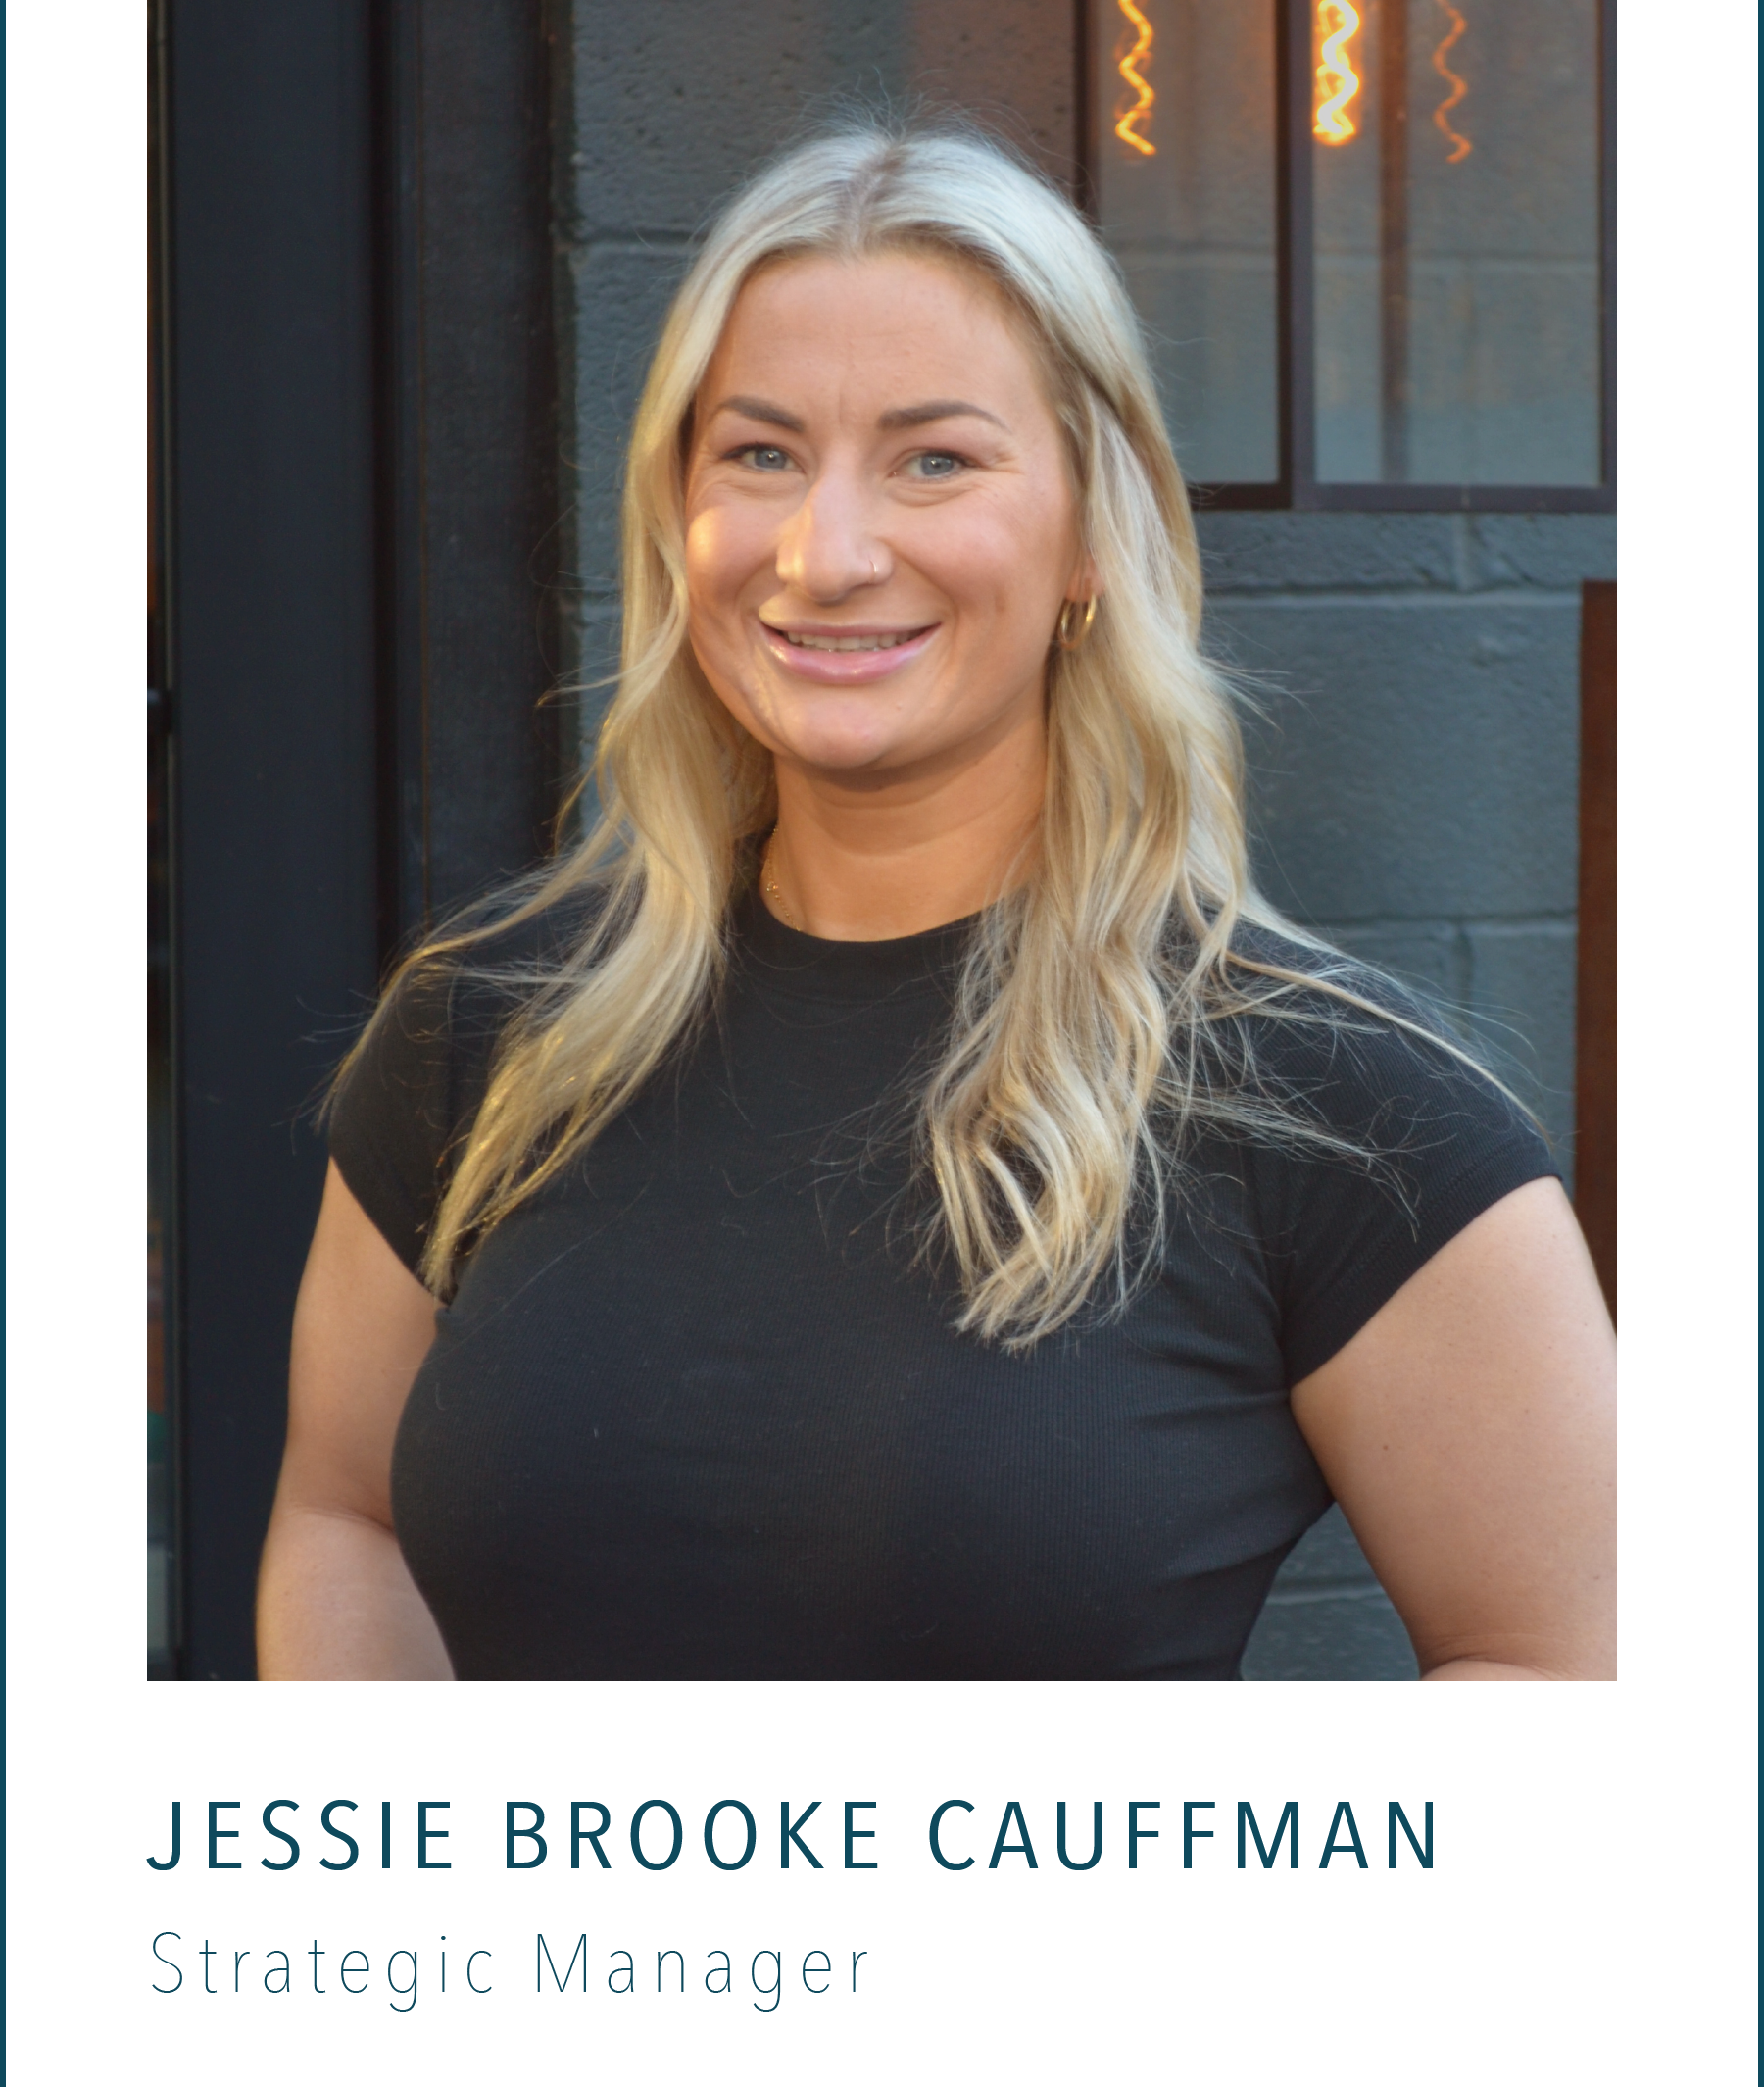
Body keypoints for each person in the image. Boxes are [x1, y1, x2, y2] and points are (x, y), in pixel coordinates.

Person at [257, 123, 1615, 1682]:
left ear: (1093, 532)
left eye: (936, 461)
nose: (825, 554)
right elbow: (345, 1520)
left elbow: (1575, 1668)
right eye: (760, 454)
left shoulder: (1336, 1100)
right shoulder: (492, 1030)